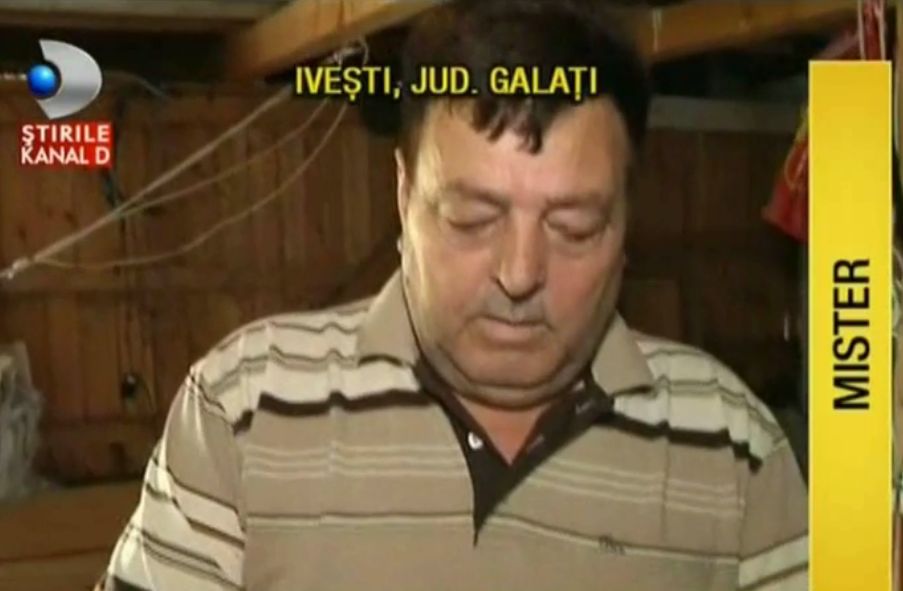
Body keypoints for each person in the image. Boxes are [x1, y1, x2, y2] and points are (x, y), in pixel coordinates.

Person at [96, 1, 808, 589]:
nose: (519, 273)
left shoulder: (731, 447)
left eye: (575, 226)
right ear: (403, 194)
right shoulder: (245, 409)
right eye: (472, 217)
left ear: (627, 219)